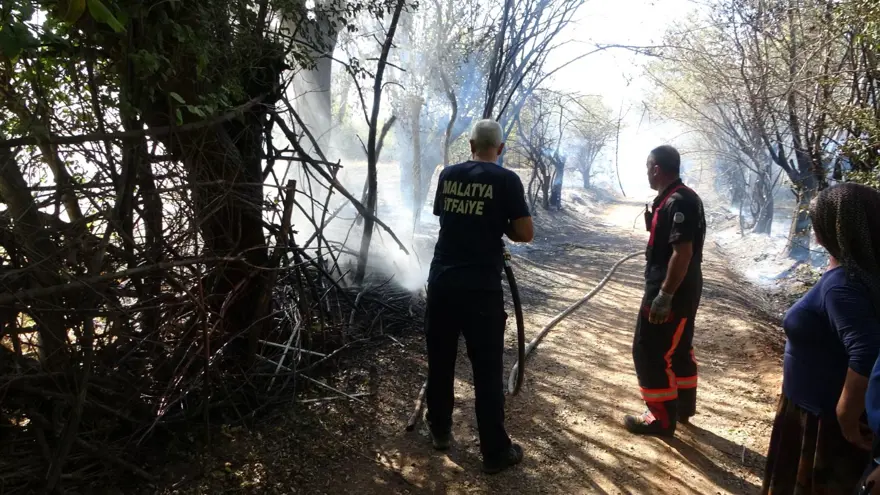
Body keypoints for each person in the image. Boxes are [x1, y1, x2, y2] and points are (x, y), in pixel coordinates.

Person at [424, 119, 534, 474]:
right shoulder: (507, 180)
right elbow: (524, 233)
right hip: (481, 291)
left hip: (442, 282)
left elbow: (445, 215)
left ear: (469, 144)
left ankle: (440, 430)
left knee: (440, 360)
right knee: (486, 371)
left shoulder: (448, 174)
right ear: (500, 149)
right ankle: (495, 452)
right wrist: (497, 221)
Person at [761, 183, 880, 494]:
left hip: (824, 426)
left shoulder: (841, 287)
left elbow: (867, 352)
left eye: (816, 221)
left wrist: (846, 418)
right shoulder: (856, 275)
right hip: (812, 412)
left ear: (834, 228)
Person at [624, 145, 705, 436]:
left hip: (670, 289)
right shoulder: (681, 197)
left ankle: (660, 418)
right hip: (685, 287)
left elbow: (682, 253)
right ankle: (681, 406)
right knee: (679, 347)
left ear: (656, 168)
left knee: (649, 350)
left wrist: (664, 296)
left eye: (648, 167)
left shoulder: (678, 201)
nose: (646, 172)